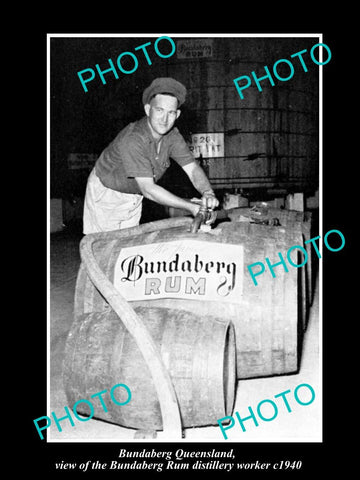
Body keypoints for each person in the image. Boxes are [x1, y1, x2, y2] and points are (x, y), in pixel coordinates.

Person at [83, 77, 219, 234]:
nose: (165, 119)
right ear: (148, 110)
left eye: (171, 112)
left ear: (177, 114)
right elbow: (148, 189)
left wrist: (208, 193)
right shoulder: (134, 138)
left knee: (127, 248)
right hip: (107, 194)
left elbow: (192, 169)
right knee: (104, 249)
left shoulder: (172, 136)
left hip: (133, 195)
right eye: (159, 110)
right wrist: (191, 207)